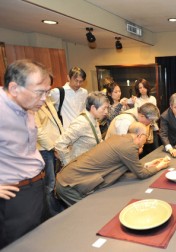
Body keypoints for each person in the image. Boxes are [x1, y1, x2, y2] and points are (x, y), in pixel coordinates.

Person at [55, 122, 170, 206]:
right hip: (70, 184)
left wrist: (148, 164)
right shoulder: (129, 147)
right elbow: (141, 174)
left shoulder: (119, 139)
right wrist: (160, 166)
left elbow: (130, 164)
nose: (148, 139)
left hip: (69, 176)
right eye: (146, 136)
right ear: (140, 136)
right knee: (86, 211)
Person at [0, 59, 51, 249]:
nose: (45, 99)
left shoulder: (28, 107)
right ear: (14, 88)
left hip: (36, 188)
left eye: (47, 92)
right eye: (40, 92)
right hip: (14, 196)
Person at [35, 75, 65, 217]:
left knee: (54, 181)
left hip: (55, 146)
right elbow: (37, 130)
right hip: (45, 150)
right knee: (49, 183)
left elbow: (57, 122)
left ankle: (54, 208)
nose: (48, 91)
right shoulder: (34, 103)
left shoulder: (47, 99)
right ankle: (50, 214)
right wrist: (52, 147)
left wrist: (62, 141)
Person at [55, 91, 109, 166]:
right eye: (104, 108)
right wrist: (68, 164)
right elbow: (60, 144)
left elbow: (97, 139)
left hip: (90, 164)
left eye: (107, 108)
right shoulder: (82, 122)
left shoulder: (94, 119)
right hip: (80, 167)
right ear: (93, 108)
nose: (106, 112)